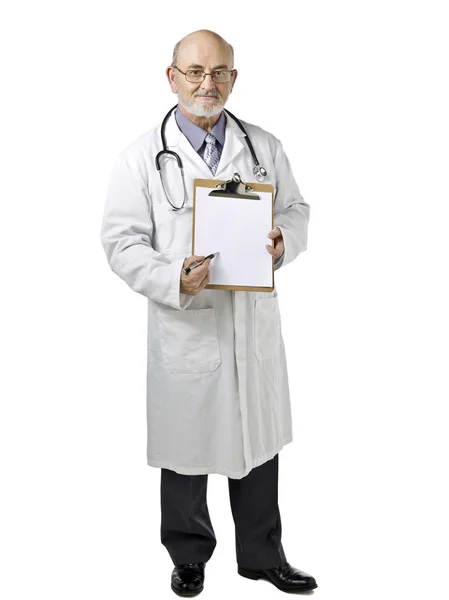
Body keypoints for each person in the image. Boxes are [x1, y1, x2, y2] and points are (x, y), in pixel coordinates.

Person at [100, 29, 317, 596]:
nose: (207, 83)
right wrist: (173, 277)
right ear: (171, 77)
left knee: (258, 447)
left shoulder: (263, 145)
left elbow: (295, 209)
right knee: (185, 450)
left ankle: (263, 556)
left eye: (219, 72)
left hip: (251, 323)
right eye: (195, 71)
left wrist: (282, 241)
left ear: (234, 79)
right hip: (187, 323)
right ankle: (189, 555)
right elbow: (122, 243)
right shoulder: (141, 158)